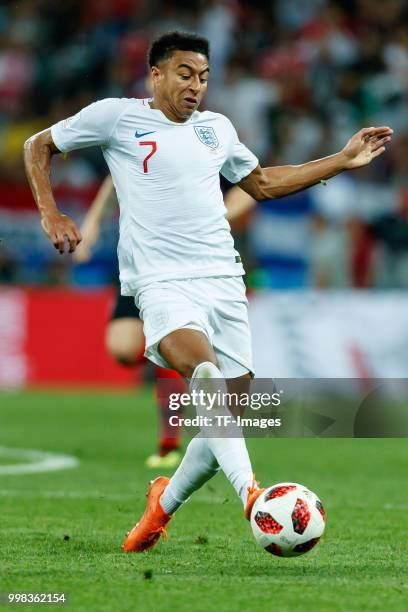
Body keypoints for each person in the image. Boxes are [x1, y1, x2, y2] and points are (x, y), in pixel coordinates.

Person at [24, 31, 392, 554]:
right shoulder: (117, 116)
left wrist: (341, 159)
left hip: (224, 280)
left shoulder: (216, 129)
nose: (196, 86)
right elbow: (37, 145)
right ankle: (253, 497)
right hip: (160, 283)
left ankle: (161, 507)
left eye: (203, 77)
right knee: (206, 375)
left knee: (226, 416)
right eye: (184, 74)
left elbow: (261, 183)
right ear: (156, 75)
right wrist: (51, 211)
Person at [73, 175, 256, 469]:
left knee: (171, 335)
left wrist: (212, 217)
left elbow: (250, 185)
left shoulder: (207, 135)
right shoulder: (139, 133)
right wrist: (93, 221)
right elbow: (116, 175)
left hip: (191, 264)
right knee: (123, 347)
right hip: (141, 259)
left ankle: (169, 442)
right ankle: (180, 354)